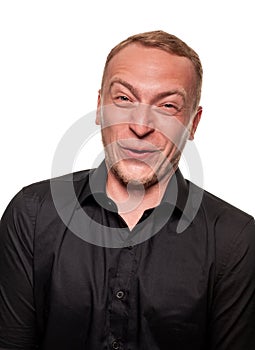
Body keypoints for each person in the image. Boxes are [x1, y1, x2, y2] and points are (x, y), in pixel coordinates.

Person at [0, 30, 254, 350]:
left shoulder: (235, 239)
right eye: (124, 98)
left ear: (193, 123)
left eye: (168, 106)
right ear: (99, 107)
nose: (141, 126)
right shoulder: (32, 214)